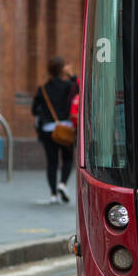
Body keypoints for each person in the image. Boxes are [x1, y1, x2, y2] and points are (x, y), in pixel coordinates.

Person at [32, 56, 79, 203]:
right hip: (65, 129)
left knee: (51, 162)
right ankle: (63, 184)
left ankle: (53, 195)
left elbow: (34, 110)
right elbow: (79, 87)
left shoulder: (43, 89)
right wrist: (71, 74)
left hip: (48, 131)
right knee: (67, 159)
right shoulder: (67, 86)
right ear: (61, 69)